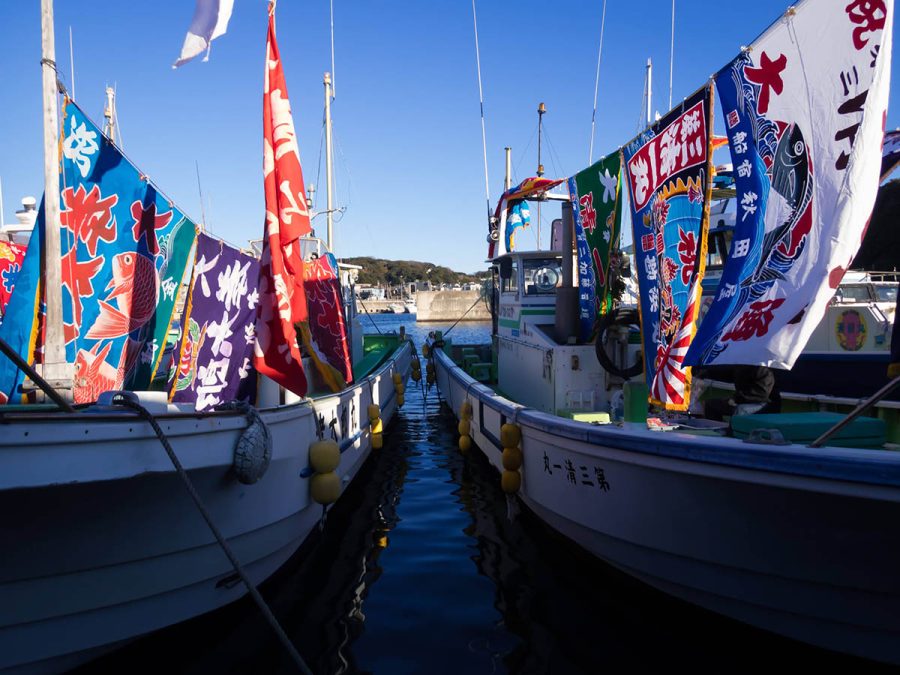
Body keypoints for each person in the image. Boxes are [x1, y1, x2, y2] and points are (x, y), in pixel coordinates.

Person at [697, 365, 781, 421]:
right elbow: (729, 374)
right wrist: (707, 373)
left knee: (739, 412)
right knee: (710, 405)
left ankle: (733, 434)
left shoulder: (764, 369)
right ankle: (716, 432)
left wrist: (736, 399)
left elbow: (761, 393)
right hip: (744, 400)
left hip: (765, 404)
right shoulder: (744, 365)